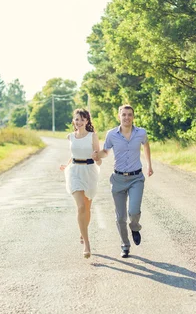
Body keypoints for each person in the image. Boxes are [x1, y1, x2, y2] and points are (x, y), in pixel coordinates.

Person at [92, 104, 153, 258]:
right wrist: (97, 155)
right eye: (124, 115)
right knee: (120, 217)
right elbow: (106, 151)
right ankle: (125, 245)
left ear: (133, 116)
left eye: (129, 115)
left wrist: (149, 165)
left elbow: (146, 145)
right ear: (119, 116)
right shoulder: (111, 134)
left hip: (136, 178)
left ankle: (135, 227)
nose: (127, 117)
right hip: (118, 179)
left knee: (133, 211)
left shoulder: (141, 133)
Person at [60, 109, 102, 259]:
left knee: (88, 208)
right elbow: (72, 155)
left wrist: (96, 157)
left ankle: (82, 231)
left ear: (87, 121)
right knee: (81, 207)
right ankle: (87, 243)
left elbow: (99, 159)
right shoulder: (70, 137)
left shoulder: (93, 136)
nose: (79, 122)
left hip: (90, 171)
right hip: (74, 172)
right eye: (77, 119)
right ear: (74, 121)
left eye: (82, 119)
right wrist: (66, 165)